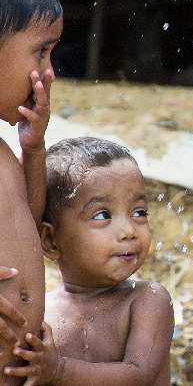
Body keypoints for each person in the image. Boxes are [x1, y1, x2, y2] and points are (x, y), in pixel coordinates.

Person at [4, 138, 173, 386]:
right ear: (50, 242)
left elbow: (140, 376)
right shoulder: (43, 313)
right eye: (103, 215)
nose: (129, 231)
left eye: (139, 212)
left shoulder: (147, 300)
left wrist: (60, 370)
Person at [0, 0, 61, 384]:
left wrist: (33, 149)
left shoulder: (5, 155)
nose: (49, 71)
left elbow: (30, 218)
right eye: (40, 50)